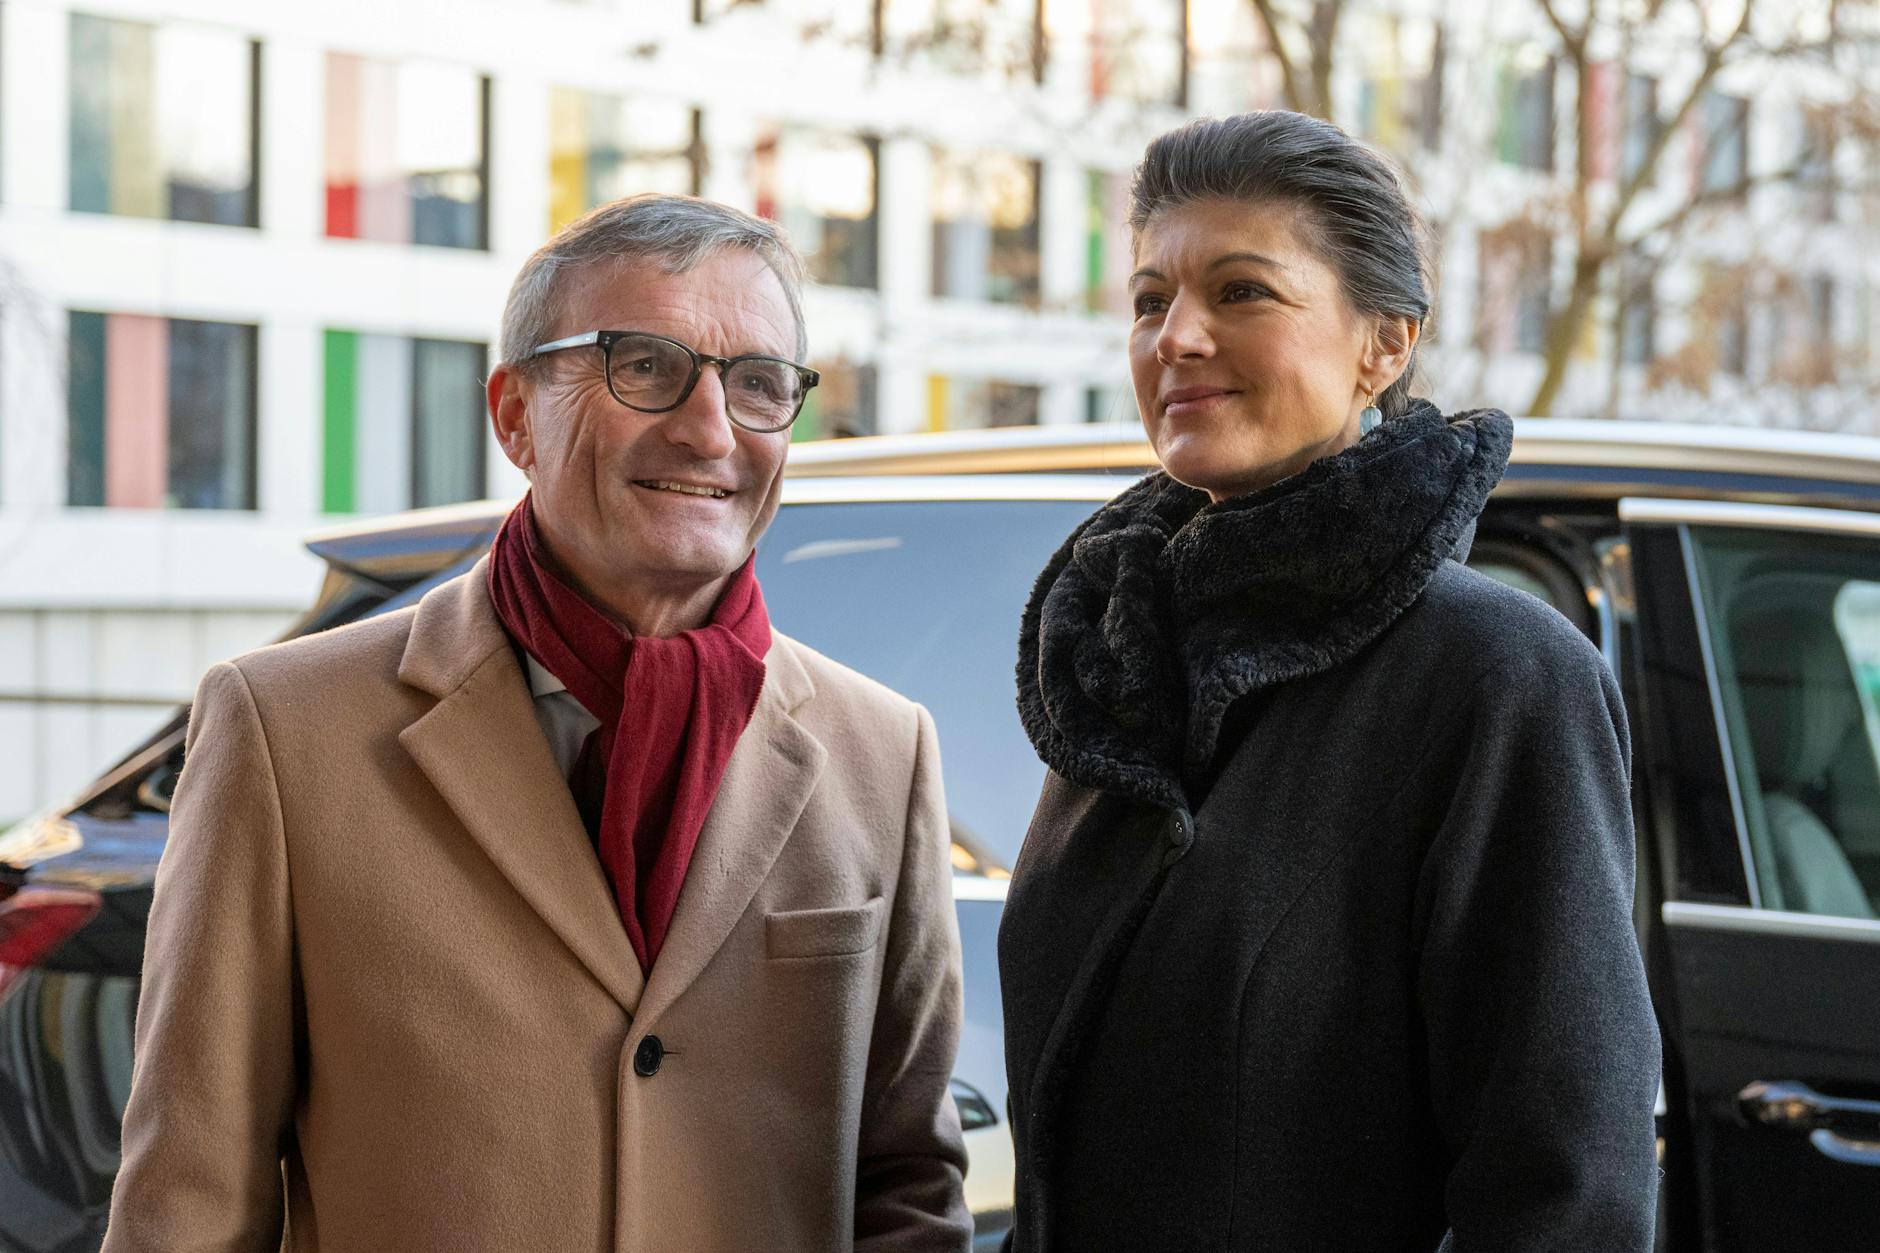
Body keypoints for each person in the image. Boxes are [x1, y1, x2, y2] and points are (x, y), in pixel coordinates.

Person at [103, 194, 971, 1252]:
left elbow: (908, 1184)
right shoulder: (285, 730)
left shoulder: (884, 750)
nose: (709, 429)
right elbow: (187, 1207)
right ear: (513, 413)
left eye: (756, 384)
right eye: (644, 366)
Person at [998, 112, 1661, 1251]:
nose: (1177, 338)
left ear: (1383, 344)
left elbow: (1563, 1182)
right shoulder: (1114, 663)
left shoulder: (1494, 672)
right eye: (1150, 300)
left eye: (1241, 291)